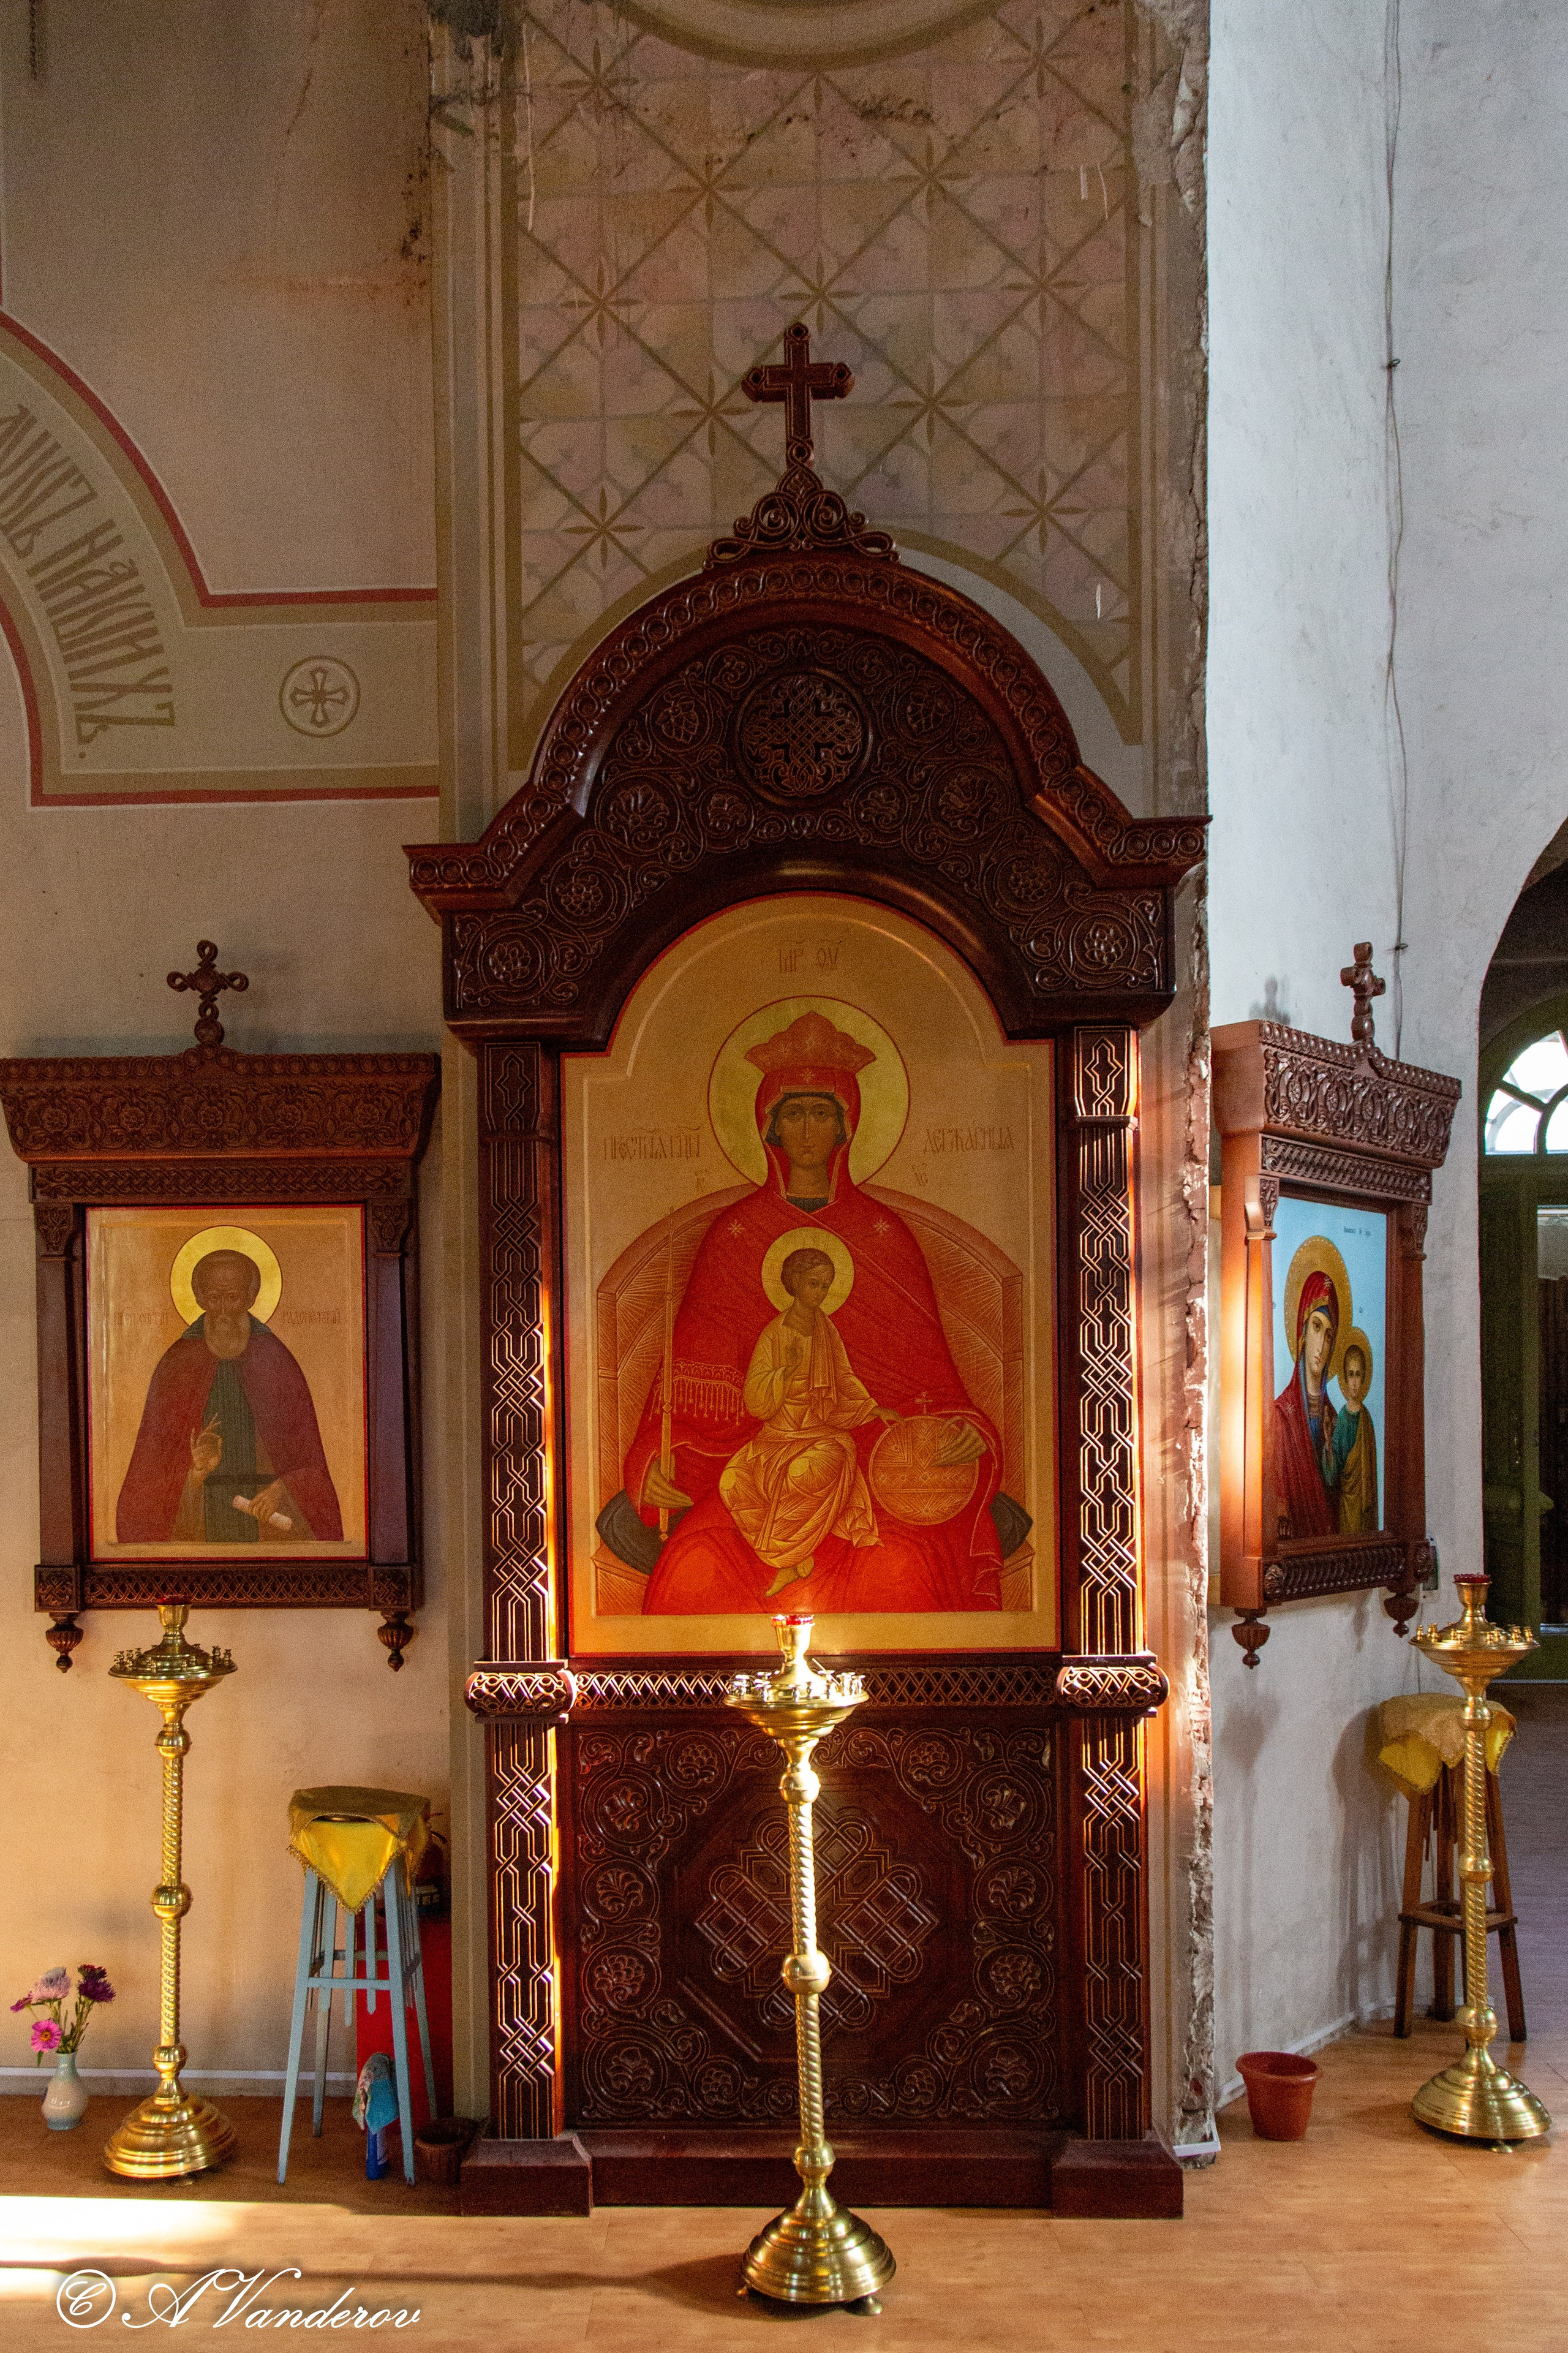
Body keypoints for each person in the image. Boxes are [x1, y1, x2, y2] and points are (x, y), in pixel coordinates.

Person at [608, 1008, 1018, 1614]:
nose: (807, 1127)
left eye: (821, 1112)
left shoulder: (884, 1237)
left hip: (871, 1475)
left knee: (902, 1572)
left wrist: (963, 1433)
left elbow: (931, 1384)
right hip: (762, 1457)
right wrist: (654, 1463)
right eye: (793, 1112)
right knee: (694, 1569)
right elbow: (689, 1392)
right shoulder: (736, 1235)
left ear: (845, 1125)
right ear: (768, 1126)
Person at [116, 1247, 344, 1543]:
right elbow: (150, 1473)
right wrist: (194, 1476)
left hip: (269, 1522)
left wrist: (280, 1489)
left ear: (250, 1299)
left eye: (233, 1297)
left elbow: (307, 1461)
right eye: (214, 1298)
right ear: (200, 1300)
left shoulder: (275, 1359)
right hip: (199, 1519)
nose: (223, 1310)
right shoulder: (178, 1363)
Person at [718, 1247, 900, 1597]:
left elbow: (845, 1378)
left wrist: (874, 1409)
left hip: (824, 1435)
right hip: (778, 1435)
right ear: (795, 1282)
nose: (820, 1293)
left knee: (801, 1475)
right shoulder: (774, 1334)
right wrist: (785, 1371)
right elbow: (755, 1398)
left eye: (826, 1286)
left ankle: (793, 1557)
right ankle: (787, 1559)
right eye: (815, 1284)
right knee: (731, 1482)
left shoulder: (826, 1330)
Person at [1272, 1267, 1343, 1539]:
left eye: (1329, 1335)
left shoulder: (1334, 1418)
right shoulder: (1281, 1416)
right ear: (1302, 1330)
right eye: (1316, 1326)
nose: (1322, 1345)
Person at [1332, 1339, 1379, 1535]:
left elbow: (1371, 1470)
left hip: (1364, 1503)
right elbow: (1336, 1465)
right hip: (1347, 1501)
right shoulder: (1342, 1418)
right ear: (1344, 1377)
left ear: (1365, 1377)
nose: (1354, 1382)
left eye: (1358, 1375)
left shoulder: (1366, 1419)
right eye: (1350, 1375)